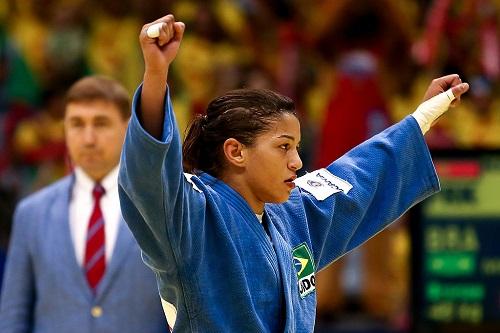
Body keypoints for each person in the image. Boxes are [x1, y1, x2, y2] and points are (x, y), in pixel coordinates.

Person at [118, 15, 470, 332]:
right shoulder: (191, 218)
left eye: (297, 147)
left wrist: (420, 119)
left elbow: (355, 177)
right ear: (236, 151)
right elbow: (151, 177)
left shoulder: (292, 214)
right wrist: (156, 74)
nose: (298, 162)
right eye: (284, 146)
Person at [0, 76, 166, 333]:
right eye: (77, 124)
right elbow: (13, 314)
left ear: (128, 127)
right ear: (64, 128)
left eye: (101, 124)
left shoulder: (160, 209)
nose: (88, 139)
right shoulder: (31, 213)